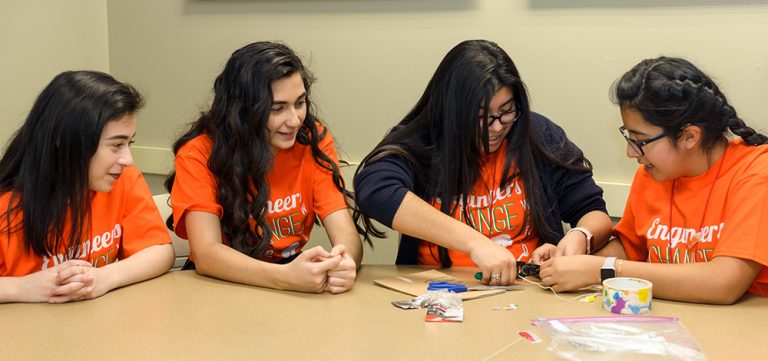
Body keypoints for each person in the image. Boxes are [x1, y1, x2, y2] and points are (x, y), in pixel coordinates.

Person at [353, 40, 612, 286]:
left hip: (528, 292)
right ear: (451, 112)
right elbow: (376, 189)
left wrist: (579, 237)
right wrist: (475, 243)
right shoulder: (424, 139)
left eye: (506, 111)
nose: (497, 127)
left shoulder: (538, 135)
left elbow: (593, 211)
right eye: (481, 116)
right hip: (439, 296)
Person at [539, 56, 768, 304]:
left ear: (689, 137)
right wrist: (570, 260)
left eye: (639, 139)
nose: (630, 152)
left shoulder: (756, 173)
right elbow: (630, 249)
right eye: (628, 136)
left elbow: (723, 284)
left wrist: (602, 269)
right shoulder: (655, 172)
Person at [167, 42, 366, 294]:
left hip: (287, 276)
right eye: (277, 108)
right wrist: (285, 277)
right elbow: (206, 254)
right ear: (242, 111)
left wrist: (344, 262)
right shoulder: (198, 153)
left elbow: (345, 231)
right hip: (219, 284)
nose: (294, 120)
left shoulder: (313, 140)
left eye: (300, 102)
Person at [0, 71, 175, 303]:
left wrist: (102, 278)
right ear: (64, 140)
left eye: (128, 143)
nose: (127, 159)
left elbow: (160, 252)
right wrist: (21, 288)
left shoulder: (122, 179)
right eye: (116, 145)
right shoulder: (7, 204)